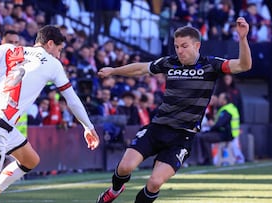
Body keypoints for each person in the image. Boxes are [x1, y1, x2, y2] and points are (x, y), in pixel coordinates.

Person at [95, 17, 252, 203]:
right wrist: (114, 70)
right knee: (124, 167)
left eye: (184, 46)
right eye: (177, 46)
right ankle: (114, 190)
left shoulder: (211, 65)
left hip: (182, 137)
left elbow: (244, 65)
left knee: (154, 182)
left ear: (197, 45)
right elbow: (141, 69)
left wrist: (242, 39)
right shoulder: (170, 63)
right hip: (157, 128)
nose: (179, 51)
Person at [0, 25, 100, 203]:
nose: (59, 55)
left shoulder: (12, 49)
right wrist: (88, 127)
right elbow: (73, 100)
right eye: (59, 50)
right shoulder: (53, 64)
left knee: (30, 160)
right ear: (50, 44)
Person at [197, 92, 245, 165]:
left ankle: (209, 161)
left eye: (220, 98)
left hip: (226, 134)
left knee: (204, 137)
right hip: (229, 133)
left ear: (224, 101)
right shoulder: (230, 108)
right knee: (202, 135)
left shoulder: (226, 110)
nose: (218, 100)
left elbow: (219, 124)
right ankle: (205, 159)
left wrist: (210, 130)